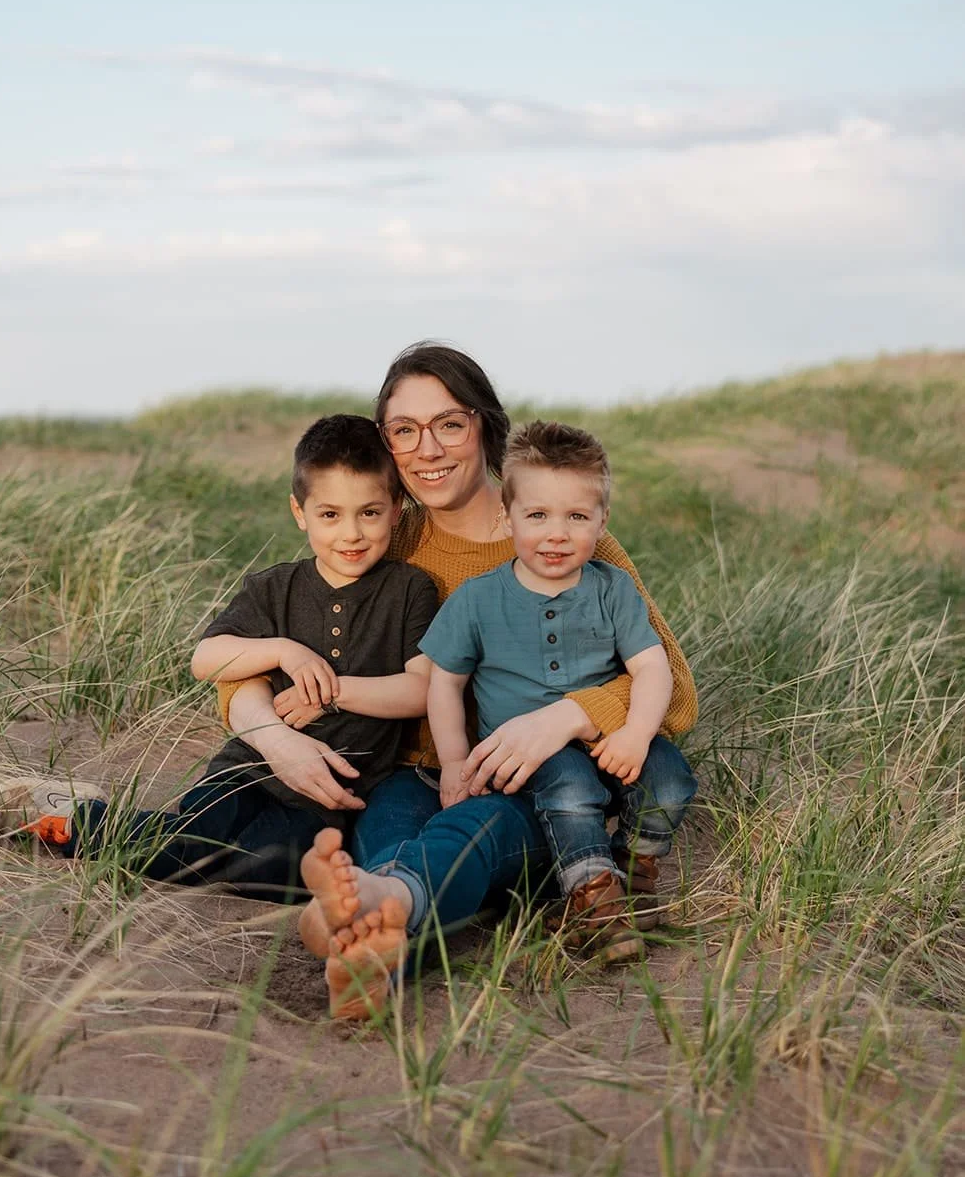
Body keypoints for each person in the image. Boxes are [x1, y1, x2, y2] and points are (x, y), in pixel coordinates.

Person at [217, 343, 698, 1019]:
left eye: (449, 424)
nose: (427, 448)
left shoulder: (554, 532)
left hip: (537, 783)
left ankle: (374, 912)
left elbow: (672, 690)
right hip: (406, 773)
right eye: (403, 430)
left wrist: (562, 717)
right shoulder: (382, 535)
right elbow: (262, 660)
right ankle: (368, 948)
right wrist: (271, 734)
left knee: (473, 830)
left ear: (484, 426)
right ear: (385, 444)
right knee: (390, 838)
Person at [0, 416, 440, 899]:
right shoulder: (274, 587)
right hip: (248, 766)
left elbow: (418, 690)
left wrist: (330, 694)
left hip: (327, 799)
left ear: (396, 509)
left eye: (369, 513)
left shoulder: (409, 590)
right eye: (330, 515)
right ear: (299, 512)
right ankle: (67, 819)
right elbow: (207, 659)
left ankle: (119, 829)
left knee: (267, 875)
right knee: (190, 849)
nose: (351, 534)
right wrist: (283, 650)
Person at [420, 419, 682, 959]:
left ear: (602, 521)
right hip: (528, 753)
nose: (556, 533)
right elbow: (445, 684)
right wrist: (453, 762)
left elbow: (655, 667)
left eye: (577, 517)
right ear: (507, 515)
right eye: (537, 515)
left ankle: (633, 873)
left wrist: (636, 733)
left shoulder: (613, 588)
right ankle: (594, 904)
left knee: (673, 779)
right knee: (571, 792)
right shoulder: (477, 599)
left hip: (606, 736)